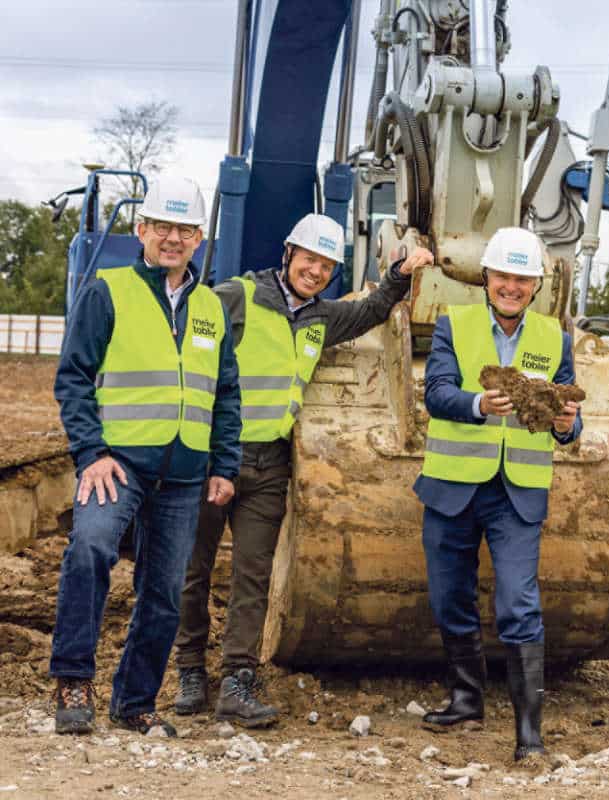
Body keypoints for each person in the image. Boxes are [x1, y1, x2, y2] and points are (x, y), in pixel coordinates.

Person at [172, 214, 433, 727]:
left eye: (326, 265)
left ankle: (237, 682)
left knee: (253, 577)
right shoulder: (237, 297)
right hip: (211, 456)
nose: (315, 271)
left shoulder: (321, 317)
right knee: (193, 571)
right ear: (289, 253)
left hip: (269, 464)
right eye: (309, 259)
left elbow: (376, 308)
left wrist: (402, 272)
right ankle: (188, 671)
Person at [51, 176, 241, 736]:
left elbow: (226, 392)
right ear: (142, 230)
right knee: (89, 548)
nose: (173, 238)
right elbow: (74, 378)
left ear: (201, 237)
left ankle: (134, 702)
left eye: (184, 229)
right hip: (117, 464)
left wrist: (224, 465)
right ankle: (73, 679)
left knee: (164, 592)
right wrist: (90, 453)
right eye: (163, 227)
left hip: (184, 477)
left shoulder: (209, 307)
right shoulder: (108, 291)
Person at [415, 227, 582, 762]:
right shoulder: (453, 326)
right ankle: (466, 697)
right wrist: (478, 407)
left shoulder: (554, 337)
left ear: (536, 286)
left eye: (522, 279)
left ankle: (529, 734)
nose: (512, 286)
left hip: (517, 494)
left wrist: (566, 424)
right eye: (503, 276)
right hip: (452, 486)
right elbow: (436, 394)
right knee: (448, 598)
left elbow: (568, 424)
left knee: (518, 602)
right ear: (486, 278)